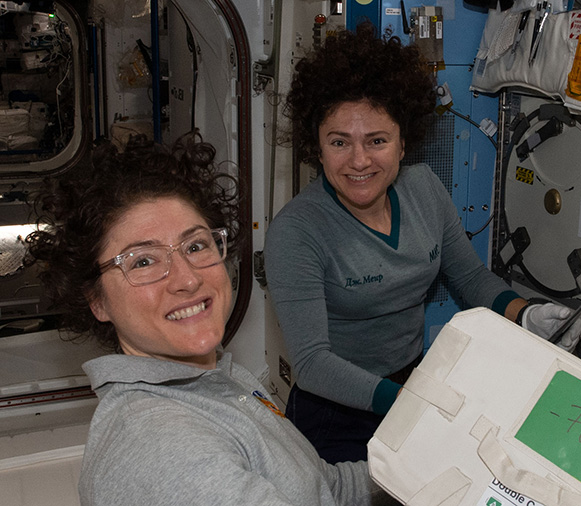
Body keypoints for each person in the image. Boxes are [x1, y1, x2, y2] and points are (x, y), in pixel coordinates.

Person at [264, 25, 581, 465]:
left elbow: (469, 277)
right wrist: (409, 401)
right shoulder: (296, 231)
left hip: (415, 383)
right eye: (339, 142)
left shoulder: (424, 188)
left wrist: (526, 315)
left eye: (377, 140)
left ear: (402, 144)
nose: (359, 161)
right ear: (316, 148)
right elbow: (313, 363)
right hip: (335, 412)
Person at [26, 132, 380, 505]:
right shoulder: (166, 451)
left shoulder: (211, 380)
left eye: (196, 246)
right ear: (97, 302)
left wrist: (422, 468)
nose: (188, 278)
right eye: (143, 261)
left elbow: (327, 487)